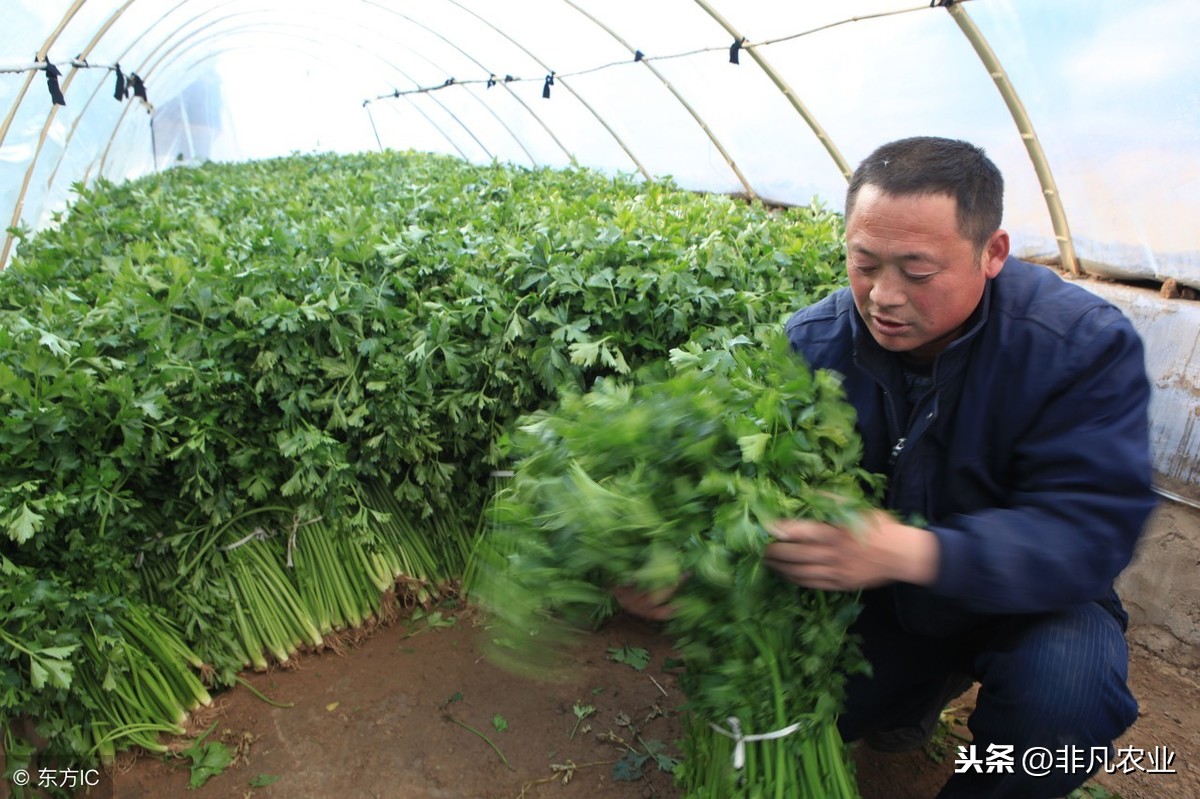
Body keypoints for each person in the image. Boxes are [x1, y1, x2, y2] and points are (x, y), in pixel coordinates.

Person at [621, 136, 1156, 798]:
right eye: (864, 263)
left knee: (1066, 700)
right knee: (780, 689)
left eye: (918, 271)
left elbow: (1092, 532)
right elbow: (764, 494)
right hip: (875, 601)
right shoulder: (814, 343)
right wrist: (697, 574)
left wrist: (913, 551)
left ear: (993, 253)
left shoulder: (1077, 346)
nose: (883, 296)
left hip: (1029, 600)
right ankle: (909, 702)